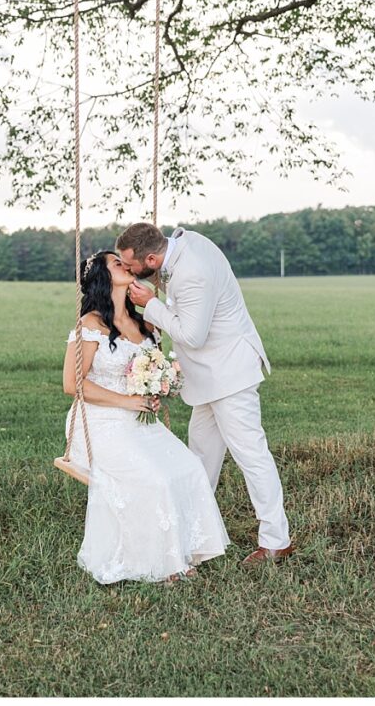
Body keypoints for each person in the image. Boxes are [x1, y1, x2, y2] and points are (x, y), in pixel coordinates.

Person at [116, 223, 293, 565]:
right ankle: (194, 534)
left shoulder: (192, 272)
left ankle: (276, 541)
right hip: (212, 377)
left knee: (252, 457)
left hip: (230, 374)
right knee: (198, 458)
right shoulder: (181, 245)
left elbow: (192, 335)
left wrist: (152, 304)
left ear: (151, 258)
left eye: (131, 265)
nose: (129, 271)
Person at [63, 251, 229, 584]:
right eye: (115, 263)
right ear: (102, 277)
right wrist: (127, 400)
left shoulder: (145, 323)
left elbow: (151, 368)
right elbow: (73, 385)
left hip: (140, 421)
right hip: (100, 422)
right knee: (156, 479)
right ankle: (161, 564)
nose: (124, 264)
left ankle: (186, 549)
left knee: (190, 467)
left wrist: (157, 387)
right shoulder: (91, 324)